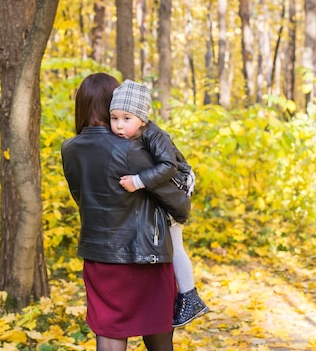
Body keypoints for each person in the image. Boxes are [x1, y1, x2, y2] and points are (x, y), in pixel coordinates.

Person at [61, 73, 191, 351]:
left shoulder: (70, 149)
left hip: (98, 257)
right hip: (145, 257)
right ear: (113, 103)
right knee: (157, 336)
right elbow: (177, 202)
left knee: (109, 333)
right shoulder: (131, 149)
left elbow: (80, 197)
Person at [109, 79, 209, 328]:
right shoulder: (138, 135)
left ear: (142, 119)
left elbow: (169, 167)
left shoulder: (155, 135)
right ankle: (185, 295)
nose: (119, 125)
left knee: (175, 245)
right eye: (114, 118)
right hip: (164, 189)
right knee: (171, 244)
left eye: (126, 118)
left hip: (177, 186)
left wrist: (139, 181)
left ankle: (190, 295)